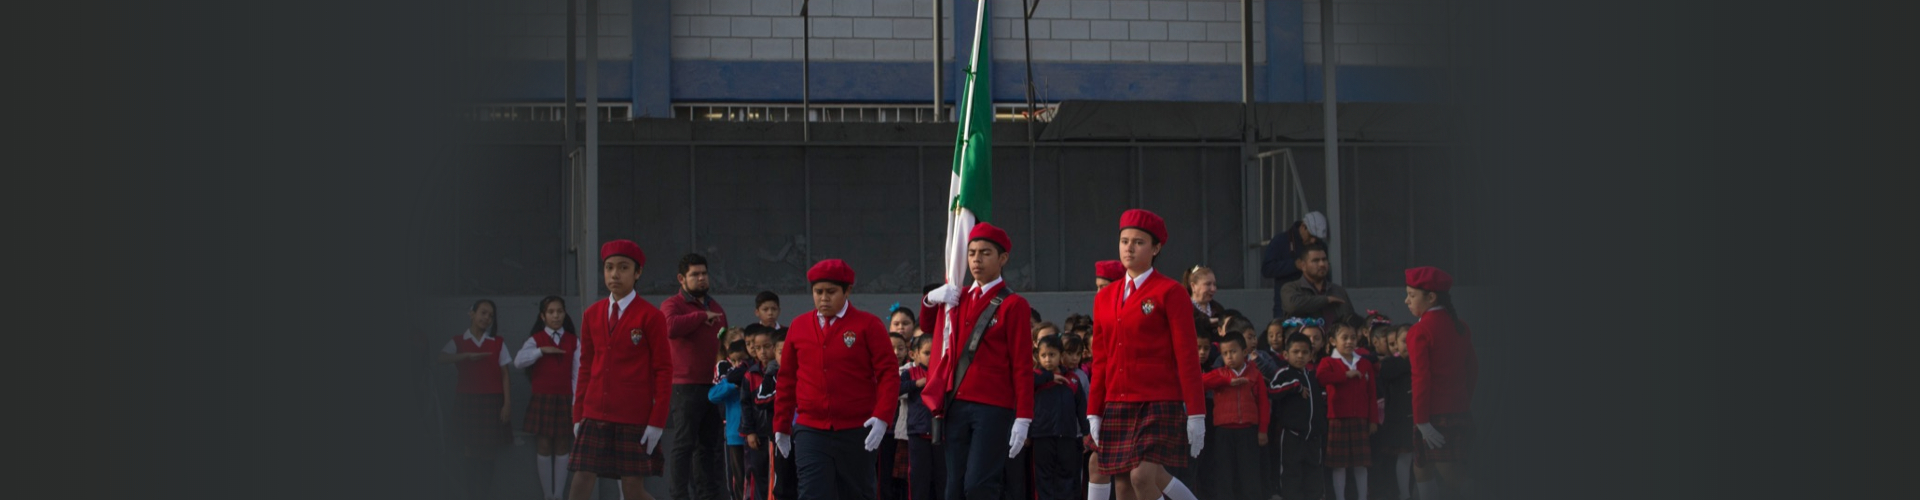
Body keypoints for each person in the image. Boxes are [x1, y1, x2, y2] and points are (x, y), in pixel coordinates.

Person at [1086, 209, 1206, 500]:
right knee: (1123, 484)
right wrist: (1094, 410)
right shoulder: (1104, 297)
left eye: (1138, 242)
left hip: (1158, 400)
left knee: (1142, 476)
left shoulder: (1170, 292)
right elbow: (1101, 359)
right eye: (1124, 240)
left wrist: (1196, 413)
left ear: (1156, 248)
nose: (1129, 247)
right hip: (1117, 400)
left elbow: (1187, 356)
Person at [919, 223, 1037, 500]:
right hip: (956, 402)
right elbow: (931, 330)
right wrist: (929, 301)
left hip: (993, 407)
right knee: (954, 488)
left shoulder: (1013, 304)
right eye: (971, 253)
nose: (976, 260)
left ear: (1003, 258)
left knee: (979, 485)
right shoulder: (958, 297)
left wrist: (1024, 416)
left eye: (985, 253)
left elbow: (1022, 365)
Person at [774, 259, 901, 500]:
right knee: (812, 493)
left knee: (857, 493)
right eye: (818, 292)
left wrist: (883, 417)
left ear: (847, 291)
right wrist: (781, 425)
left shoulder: (868, 325)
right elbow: (787, 379)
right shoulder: (799, 326)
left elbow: (888, 373)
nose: (824, 298)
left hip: (857, 429)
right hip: (811, 428)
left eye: (831, 292)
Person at [569, 240, 672, 500]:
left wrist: (657, 420)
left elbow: (663, 369)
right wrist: (578, 413)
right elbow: (585, 366)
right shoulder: (592, 314)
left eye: (623, 267)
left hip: (633, 416)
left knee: (633, 489)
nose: (614, 274)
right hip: (594, 412)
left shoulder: (651, 316)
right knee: (581, 479)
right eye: (609, 267)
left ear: (637, 273)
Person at [1403, 267, 1477, 500]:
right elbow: (1472, 370)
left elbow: (1421, 379)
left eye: (1412, 295)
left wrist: (1422, 421)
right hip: (1459, 411)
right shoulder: (1461, 326)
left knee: (1453, 476)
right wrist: (1463, 401)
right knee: (1421, 467)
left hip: (1433, 415)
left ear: (1431, 297)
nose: (1406, 301)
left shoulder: (1420, 331)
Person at [661, 254, 729, 500]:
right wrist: (701, 316)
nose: (701, 278)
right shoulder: (673, 304)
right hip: (685, 386)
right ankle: (679, 495)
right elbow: (669, 327)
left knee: (709, 446)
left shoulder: (716, 307)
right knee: (684, 444)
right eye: (695, 274)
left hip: (712, 386)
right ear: (682, 279)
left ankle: (707, 495)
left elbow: (724, 341)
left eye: (704, 273)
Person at [440, 299, 513, 500]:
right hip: (467, 401)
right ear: (471, 313)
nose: (486, 318)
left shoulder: (497, 343)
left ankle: (483, 494)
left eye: (490, 315)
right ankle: (471, 494)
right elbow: (441, 358)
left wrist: (507, 404)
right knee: (470, 449)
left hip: (492, 402)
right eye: (483, 313)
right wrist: (465, 356)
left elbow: (505, 374)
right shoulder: (458, 341)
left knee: (489, 451)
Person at [514, 296, 582, 500]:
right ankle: (547, 496)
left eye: (560, 311)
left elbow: (577, 375)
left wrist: (575, 404)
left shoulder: (573, 340)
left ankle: (558, 495)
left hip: (564, 400)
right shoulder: (535, 340)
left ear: (564, 313)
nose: (556, 315)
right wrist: (541, 351)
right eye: (551, 312)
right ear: (543, 316)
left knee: (562, 445)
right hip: (542, 399)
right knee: (543, 446)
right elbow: (518, 362)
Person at [1199, 332, 1269, 500]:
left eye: (1233, 351)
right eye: (1225, 353)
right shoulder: (1220, 374)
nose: (1229, 357)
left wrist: (1263, 430)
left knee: (1249, 475)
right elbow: (1200, 383)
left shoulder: (1254, 374)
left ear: (1244, 352)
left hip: (1248, 431)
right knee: (1224, 474)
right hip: (1224, 432)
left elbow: (1264, 404)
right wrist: (1226, 381)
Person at [1319, 322, 1381, 500]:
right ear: (1332, 341)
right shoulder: (1328, 362)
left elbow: (1372, 394)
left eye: (1353, 338)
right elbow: (1321, 378)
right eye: (1344, 338)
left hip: (1360, 419)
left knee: (1361, 464)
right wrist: (1345, 375)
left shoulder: (1364, 363)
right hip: (1337, 418)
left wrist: (1373, 420)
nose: (1349, 342)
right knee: (1339, 465)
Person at [1270, 333, 1328, 500]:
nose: (1300, 356)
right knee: (1290, 475)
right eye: (1296, 352)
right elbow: (1272, 390)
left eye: (1304, 352)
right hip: (1292, 436)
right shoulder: (1284, 373)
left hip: (1313, 437)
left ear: (1311, 355)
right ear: (1286, 354)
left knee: (1314, 475)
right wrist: (1295, 386)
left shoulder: (1313, 375)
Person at [1031, 335, 1089, 500]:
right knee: (1043, 478)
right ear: (1037, 356)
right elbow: (1025, 385)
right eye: (1044, 355)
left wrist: (1086, 432)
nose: (1048, 359)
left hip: (1068, 437)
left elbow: (1081, 409)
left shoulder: (1073, 380)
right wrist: (1048, 377)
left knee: (1067, 476)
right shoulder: (1036, 378)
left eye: (1052, 355)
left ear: (1061, 355)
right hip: (1042, 435)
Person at [734, 325, 780, 500]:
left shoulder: (781, 372)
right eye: (758, 348)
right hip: (758, 436)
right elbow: (745, 405)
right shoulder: (750, 375)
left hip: (777, 433)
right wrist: (749, 431)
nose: (762, 352)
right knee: (759, 474)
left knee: (778, 476)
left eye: (767, 347)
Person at [1375, 324, 1416, 500]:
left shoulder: (1424, 361)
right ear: (1396, 345)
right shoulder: (1391, 364)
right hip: (1400, 420)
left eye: (1411, 341)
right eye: (1403, 341)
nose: (1407, 345)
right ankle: (1404, 495)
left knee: (1420, 459)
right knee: (1404, 457)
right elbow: (1388, 373)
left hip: (1420, 418)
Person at [1260, 211, 1327, 319]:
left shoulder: (1319, 245)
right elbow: (1267, 269)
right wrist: (1293, 265)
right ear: (1303, 227)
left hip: (1314, 305)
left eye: (1317, 238)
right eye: (1311, 236)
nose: (1313, 240)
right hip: (1286, 307)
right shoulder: (1281, 241)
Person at [901, 336, 944, 500]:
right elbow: (895, 388)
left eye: (936, 353)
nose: (932, 357)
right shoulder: (910, 373)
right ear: (914, 354)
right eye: (927, 353)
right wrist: (915, 384)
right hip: (918, 432)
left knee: (943, 478)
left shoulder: (945, 372)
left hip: (942, 432)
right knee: (919, 479)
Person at [709, 341, 752, 500]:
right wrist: (732, 385)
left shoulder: (752, 374)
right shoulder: (730, 377)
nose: (736, 364)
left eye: (741, 360)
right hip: (735, 435)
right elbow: (713, 395)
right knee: (737, 479)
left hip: (754, 434)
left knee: (754, 477)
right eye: (733, 361)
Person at [1280, 243, 1354, 325]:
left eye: (1324, 259)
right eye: (1316, 260)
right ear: (1303, 265)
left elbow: (1350, 319)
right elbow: (1292, 306)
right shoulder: (1291, 288)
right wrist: (1326, 300)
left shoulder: (1338, 290)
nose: (1322, 264)